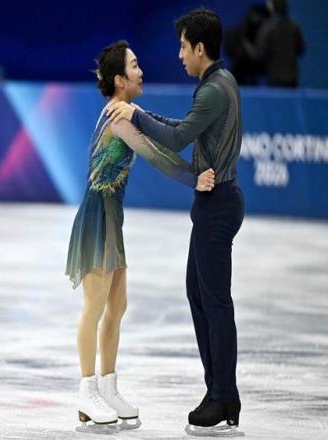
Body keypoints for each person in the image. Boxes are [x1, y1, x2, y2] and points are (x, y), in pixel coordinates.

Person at [107, 8, 245, 437]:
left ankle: (224, 395)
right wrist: (141, 112)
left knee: (215, 302)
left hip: (217, 204)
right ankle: (217, 390)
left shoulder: (213, 91)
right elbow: (184, 127)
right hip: (214, 203)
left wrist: (135, 115)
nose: (180, 54)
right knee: (199, 294)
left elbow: (178, 138)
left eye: (184, 46)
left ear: (200, 48)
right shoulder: (218, 83)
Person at [66, 40, 215, 434]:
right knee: (95, 306)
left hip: (112, 217)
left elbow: (157, 127)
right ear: (120, 80)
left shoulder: (128, 111)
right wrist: (193, 178)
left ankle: (108, 387)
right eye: (134, 66)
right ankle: (86, 391)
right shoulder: (117, 118)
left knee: (117, 306)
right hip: (97, 216)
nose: (141, 71)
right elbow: (154, 152)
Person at [244, 0, 304, 87]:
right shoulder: (294, 26)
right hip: (292, 78)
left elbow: (258, 55)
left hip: (275, 79)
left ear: (272, 7)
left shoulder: (267, 28)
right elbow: (300, 49)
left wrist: (247, 45)